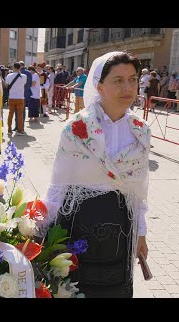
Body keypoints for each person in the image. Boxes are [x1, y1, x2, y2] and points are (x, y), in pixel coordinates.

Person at [39, 51, 151, 298]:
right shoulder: (77, 129)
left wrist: (141, 233)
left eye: (132, 79)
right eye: (118, 80)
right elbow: (60, 184)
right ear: (99, 86)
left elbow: (138, 191)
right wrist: (42, 229)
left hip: (121, 226)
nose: (127, 87)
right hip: (80, 222)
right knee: (77, 288)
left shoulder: (141, 131)